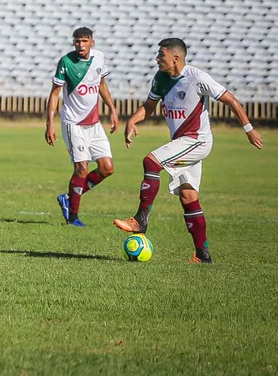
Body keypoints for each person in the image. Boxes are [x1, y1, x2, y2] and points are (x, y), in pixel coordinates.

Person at [113, 38, 263, 263]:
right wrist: (132, 120)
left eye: (160, 54)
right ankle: (203, 255)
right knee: (188, 196)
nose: (156, 58)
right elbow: (150, 106)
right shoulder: (161, 78)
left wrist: (249, 129)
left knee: (151, 162)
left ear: (175, 57)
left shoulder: (197, 78)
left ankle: (140, 220)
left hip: (197, 141)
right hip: (181, 143)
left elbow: (231, 100)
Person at [45, 27, 119, 227]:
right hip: (73, 123)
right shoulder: (66, 62)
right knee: (82, 168)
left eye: (84, 41)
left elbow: (102, 85)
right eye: (77, 41)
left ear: (92, 42)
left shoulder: (99, 58)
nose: (80, 45)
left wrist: (112, 109)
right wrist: (50, 124)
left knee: (107, 168)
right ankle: (73, 217)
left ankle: (68, 199)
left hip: (94, 124)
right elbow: (54, 94)